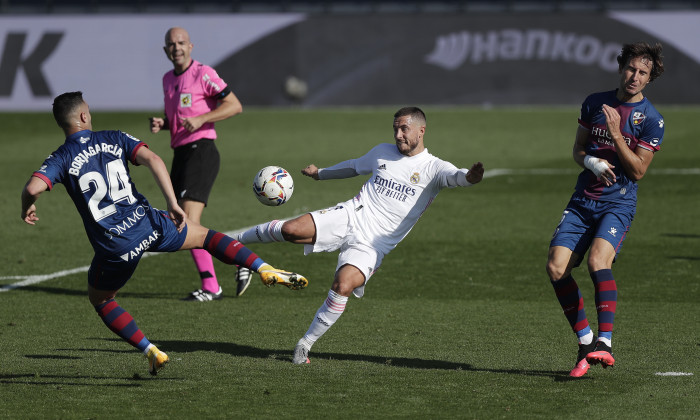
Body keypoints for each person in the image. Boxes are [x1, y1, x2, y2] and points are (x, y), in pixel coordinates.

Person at [21, 92, 308, 375]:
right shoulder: (113, 136)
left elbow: (33, 188)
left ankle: (151, 350)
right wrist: (172, 203)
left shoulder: (60, 157)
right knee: (206, 237)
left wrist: (28, 206)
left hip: (116, 246)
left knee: (102, 300)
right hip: (148, 223)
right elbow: (155, 159)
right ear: (84, 116)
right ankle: (264, 267)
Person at [235, 106, 485, 364]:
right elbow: (354, 167)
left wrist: (471, 177)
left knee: (342, 286)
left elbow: (457, 177)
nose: (398, 135)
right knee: (290, 230)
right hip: (351, 215)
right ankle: (236, 243)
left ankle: (304, 345)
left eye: (404, 129)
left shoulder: (434, 168)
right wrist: (320, 174)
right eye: (395, 129)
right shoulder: (382, 152)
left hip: (374, 244)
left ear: (422, 131)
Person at [545, 42, 665, 378]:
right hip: (583, 200)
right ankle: (586, 343)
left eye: (643, 72)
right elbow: (577, 149)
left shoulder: (652, 120)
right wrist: (592, 162)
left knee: (599, 261)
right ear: (621, 67)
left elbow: (638, 171)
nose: (634, 76)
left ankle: (605, 342)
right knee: (556, 268)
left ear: (650, 78)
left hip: (618, 203)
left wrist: (616, 135)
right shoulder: (594, 102)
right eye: (631, 68)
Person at [149, 27, 250, 302]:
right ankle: (236, 256)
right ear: (165, 50)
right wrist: (164, 123)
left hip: (201, 151)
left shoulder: (203, 73)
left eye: (181, 43)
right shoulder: (168, 79)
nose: (176, 48)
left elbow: (234, 105)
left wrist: (203, 119)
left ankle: (212, 286)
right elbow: (180, 117)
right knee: (179, 221)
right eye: (171, 44)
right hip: (180, 154)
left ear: (191, 46)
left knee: (188, 222)